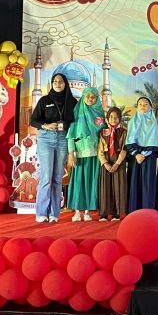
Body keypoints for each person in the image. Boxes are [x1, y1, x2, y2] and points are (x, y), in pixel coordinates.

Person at [30, 73, 77, 223]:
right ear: (52, 83)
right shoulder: (45, 100)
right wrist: (46, 125)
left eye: (60, 81)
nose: (57, 83)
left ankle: (54, 214)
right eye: (55, 81)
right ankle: (41, 213)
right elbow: (33, 120)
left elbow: (76, 122)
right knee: (46, 177)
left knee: (57, 178)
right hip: (46, 139)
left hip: (63, 139)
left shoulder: (72, 102)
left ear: (65, 84)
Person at [65, 87, 104, 222]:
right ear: (83, 97)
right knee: (78, 182)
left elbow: (103, 134)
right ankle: (77, 211)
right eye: (88, 96)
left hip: (96, 154)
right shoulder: (77, 112)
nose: (90, 99)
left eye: (93, 97)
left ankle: (87, 211)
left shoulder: (99, 113)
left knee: (91, 182)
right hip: (80, 154)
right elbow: (70, 135)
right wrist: (71, 154)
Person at [126, 97, 158, 212]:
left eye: (145, 104)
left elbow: (153, 139)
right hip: (135, 157)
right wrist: (136, 154)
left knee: (147, 183)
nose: (142, 106)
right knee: (134, 182)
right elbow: (129, 140)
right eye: (140, 104)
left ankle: (148, 210)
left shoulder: (153, 122)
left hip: (149, 156)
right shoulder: (132, 121)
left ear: (150, 107)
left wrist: (144, 154)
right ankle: (134, 210)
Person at [98, 106, 128, 221]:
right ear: (107, 118)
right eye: (111, 117)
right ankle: (104, 214)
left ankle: (116, 213)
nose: (113, 119)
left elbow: (124, 149)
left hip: (118, 160)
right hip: (106, 159)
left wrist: (117, 163)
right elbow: (100, 150)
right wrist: (105, 163)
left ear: (119, 118)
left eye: (116, 117)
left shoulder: (124, 131)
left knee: (118, 186)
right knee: (105, 187)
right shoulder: (103, 132)